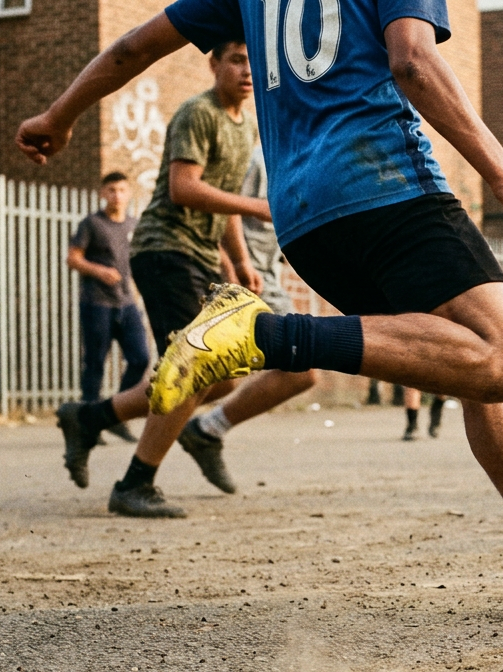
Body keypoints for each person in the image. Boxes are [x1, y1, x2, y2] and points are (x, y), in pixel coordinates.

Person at [16, 0, 503, 612]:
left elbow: (133, 47)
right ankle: (264, 335)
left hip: (305, 222)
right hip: (388, 187)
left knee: (472, 370)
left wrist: (58, 115)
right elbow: (414, 60)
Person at [46, 42, 315, 513]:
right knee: (193, 369)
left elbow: (223, 204)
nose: (246, 70)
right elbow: (184, 188)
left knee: (223, 378)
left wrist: (239, 263)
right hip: (164, 249)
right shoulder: (198, 113)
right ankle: (135, 483)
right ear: (213, 64)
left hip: (201, 257)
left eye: (254, 62)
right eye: (235, 59)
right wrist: (258, 207)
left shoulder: (245, 127)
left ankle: (89, 417)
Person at [178, 143, 319, 478]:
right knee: (203, 369)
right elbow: (223, 212)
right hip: (246, 278)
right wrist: (232, 268)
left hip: (266, 277)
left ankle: (205, 430)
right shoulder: (258, 159)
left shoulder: (300, 157)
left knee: (297, 369)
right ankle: (105, 421)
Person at [66, 171, 148, 444]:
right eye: (111, 190)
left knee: (140, 359)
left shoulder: (135, 225)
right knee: (95, 363)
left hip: (127, 303)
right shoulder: (92, 224)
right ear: (103, 193)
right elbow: (73, 258)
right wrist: (100, 271)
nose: (117, 195)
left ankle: (113, 415)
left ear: (129, 193)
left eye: (122, 190)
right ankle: (88, 423)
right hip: (97, 303)